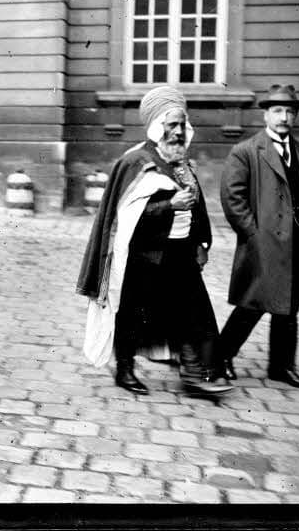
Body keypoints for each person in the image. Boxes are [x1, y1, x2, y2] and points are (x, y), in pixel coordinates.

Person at [76, 86, 234, 396]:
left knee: (194, 311)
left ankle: (197, 375)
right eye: (171, 125)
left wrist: (201, 242)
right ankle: (124, 371)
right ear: (156, 126)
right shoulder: (136, 162)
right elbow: (127, 217)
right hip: (144, 256)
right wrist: (169, 206)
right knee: (133, 313)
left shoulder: (183, 163)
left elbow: (198, 206)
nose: (178, 132)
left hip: (181, 252)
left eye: (181, 124)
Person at [217, 84, 299, 390]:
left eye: (290, 112)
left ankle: (281, 367)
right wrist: (252, 234)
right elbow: (233, 198)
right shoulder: (245, 151)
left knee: (290, 305)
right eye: (278, 111)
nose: (284, 117)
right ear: (266, 114)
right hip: (265, 242)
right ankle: (220, 357)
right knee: (253, 303)